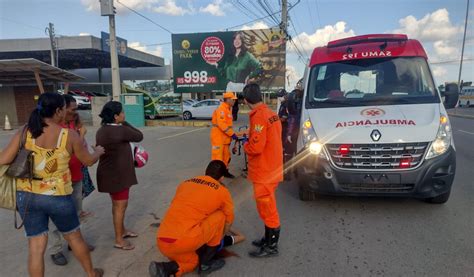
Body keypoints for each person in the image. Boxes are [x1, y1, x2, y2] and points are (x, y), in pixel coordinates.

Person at [0, 92, 104, 277]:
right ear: (58, 111)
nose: (65, 112)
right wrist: (97, 151)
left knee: (36, 246)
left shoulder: (25, 131)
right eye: (64, 109)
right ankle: (91, 273)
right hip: (58, 196)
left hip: (27, 195)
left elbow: (4, 159)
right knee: (74, 237)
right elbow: (88, 161)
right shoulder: (69, 135)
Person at [150, 160, 234, 277]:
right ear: (222, 178)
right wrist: (220, 237)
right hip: (184, 241)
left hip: (162, 240)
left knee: (192, 261)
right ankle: (206, 264)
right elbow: (229, 219)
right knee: (220, 216)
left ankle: (164, 268)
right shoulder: (222, 191)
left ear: (206, 172)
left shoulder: (185, 183)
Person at [49, 94, 94, 266]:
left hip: (76, 176)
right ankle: (56, 250)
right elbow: (71, 150)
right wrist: (81, 136)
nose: (75, 112)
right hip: (59, 181)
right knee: (56, 217)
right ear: (61, 109)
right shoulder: (54, 127)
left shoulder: (74, 123)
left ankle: (73, 244)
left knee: (76, 213)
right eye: (72, 108)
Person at [96, 101, 144, 250]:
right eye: (122, 113)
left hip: (109, 173)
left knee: (116, 205)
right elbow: (139, 135)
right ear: (116, 116)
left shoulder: (102, 130)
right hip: (118, 175)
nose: (124, 114)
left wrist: (121, 122)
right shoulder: (120, 130)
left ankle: (122, 231)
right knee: (120, 207)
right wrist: (125, 123)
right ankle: (119, 239)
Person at [243, 84, 283, 258]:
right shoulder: (271, 114)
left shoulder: (259, 116)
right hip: (272, 167)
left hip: (264, 170)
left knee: (267, 209)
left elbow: (256, 147)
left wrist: (246, 145)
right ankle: (267, 239)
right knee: (265, 207)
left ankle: (271, 246)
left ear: (245, 100)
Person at [210, 92, 241, 179]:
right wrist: (232, 134)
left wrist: (233, 135)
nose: (234, 101)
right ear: (227, 100)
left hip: (225, 138)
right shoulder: (222, 109)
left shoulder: (227, 109)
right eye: (233, 99)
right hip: (218, 138)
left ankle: (225, 172)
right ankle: (215, 177)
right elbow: (222, 124)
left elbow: (228, 126)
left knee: (226, 157)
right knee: (217, 158)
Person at [286, 79, 304, 158]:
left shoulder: (296, 103)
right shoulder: (303, 100)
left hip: (296, 130)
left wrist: (289, 133)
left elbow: (292, 119)